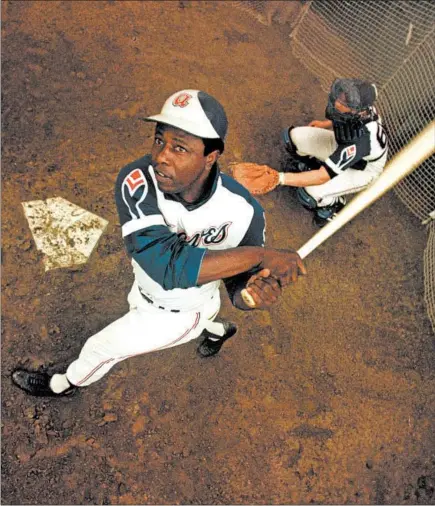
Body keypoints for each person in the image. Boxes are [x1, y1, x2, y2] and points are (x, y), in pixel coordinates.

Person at [12, 89, 306, 397]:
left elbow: (239, 286)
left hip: (178, 315)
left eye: (180, 148)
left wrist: (252, 295)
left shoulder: (245, 211)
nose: (161, 156)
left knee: (101, 348)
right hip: (151, 291)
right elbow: (166, 265)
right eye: (159, 140)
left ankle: (63, 384)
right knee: (186, 311)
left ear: (211, 156)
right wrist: (260, 256)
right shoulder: (139, 179)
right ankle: (218, 331)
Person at [279, 78, 388, 226]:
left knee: (308, 194)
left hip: (362, 171)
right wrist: (325, 124)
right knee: (292, 139)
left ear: (360, 110)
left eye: (346, 102)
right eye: (342, 96)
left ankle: (333, 204)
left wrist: (280, 178)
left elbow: (321, 177)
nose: (338, 102)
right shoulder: (364, 109)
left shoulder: (362, 139)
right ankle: (316, 166)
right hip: (342, 147)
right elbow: (343, 117)